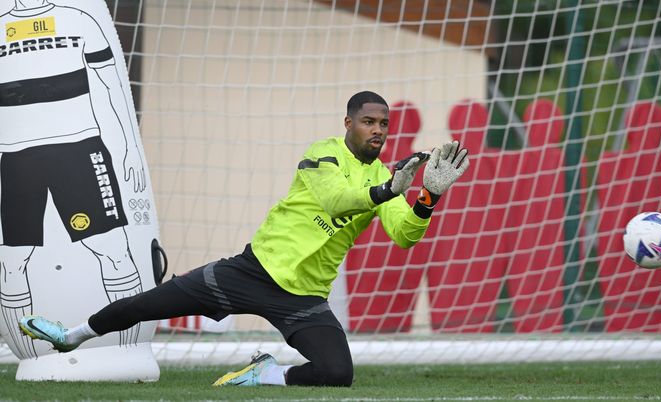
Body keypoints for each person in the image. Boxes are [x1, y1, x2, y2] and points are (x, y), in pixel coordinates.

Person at [19, 91, 470, 387]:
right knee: (150, 303)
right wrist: (388, 189)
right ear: (348, 122)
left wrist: (426, 196)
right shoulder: (323, 153)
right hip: (251, 271)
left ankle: (266, 374)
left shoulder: (384, 178)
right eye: (369, 121)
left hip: (305, 295)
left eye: (383, 125)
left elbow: (405, 235)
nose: (378, 130)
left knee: (337, 373)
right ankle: (72, 335)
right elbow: (337, 201)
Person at [1, 0, 147, 358]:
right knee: (13, 262)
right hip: (16, 159)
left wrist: (127, 145)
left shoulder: (78, 19)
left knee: (113, 250)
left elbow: (110, 86)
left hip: (79, 151)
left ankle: (125, 350)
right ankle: (31, 353)